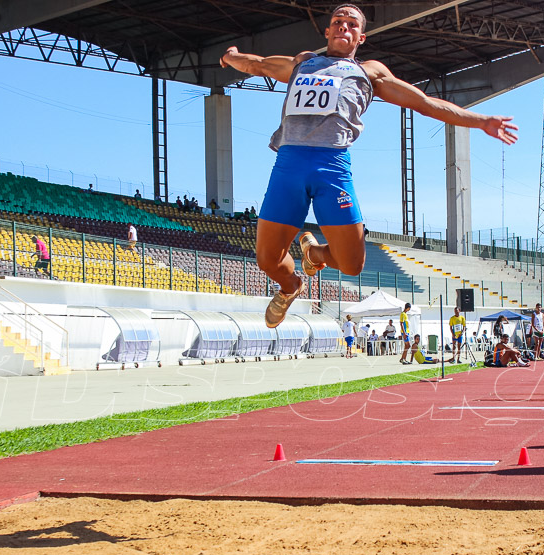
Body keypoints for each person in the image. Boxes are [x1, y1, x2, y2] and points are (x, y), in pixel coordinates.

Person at [219, 4, 518, 328]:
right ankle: (291, 285)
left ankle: (315, 255)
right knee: (266, 259)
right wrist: (231, 57)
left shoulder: (369, 72)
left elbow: (425, 103)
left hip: (332, 167)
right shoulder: (303, 63)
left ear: (360, 37)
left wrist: (482, 121)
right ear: (328, 31)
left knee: (352, 264)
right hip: (288, 164)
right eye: (338, 22)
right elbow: (260, 65)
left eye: (351, 24)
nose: (343, 27)